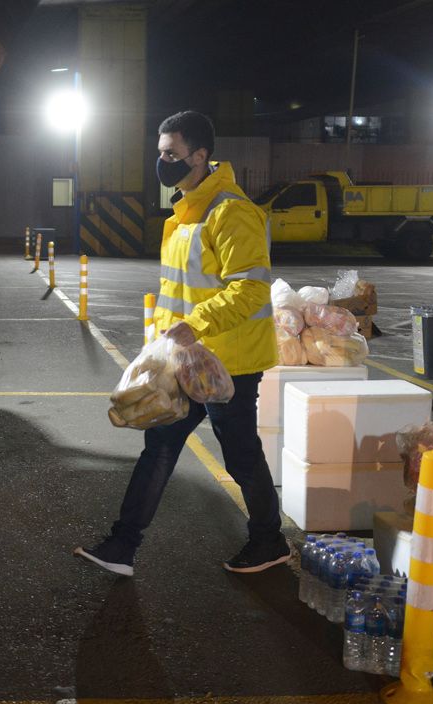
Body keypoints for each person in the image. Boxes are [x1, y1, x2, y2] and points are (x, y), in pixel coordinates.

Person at [75, 110, 284, 576]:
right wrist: (162, 347)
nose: (163, 162)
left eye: (171, 153)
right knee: (161, 445)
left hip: (228, 362)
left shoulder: (231, 211)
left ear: (201, 155)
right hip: (187, 359)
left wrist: (195, 326)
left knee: (240, 455)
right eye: (160, 153)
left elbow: (251, 288)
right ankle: (122, 546)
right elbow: (181, 291)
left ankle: (269, 542)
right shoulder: (187, 212)